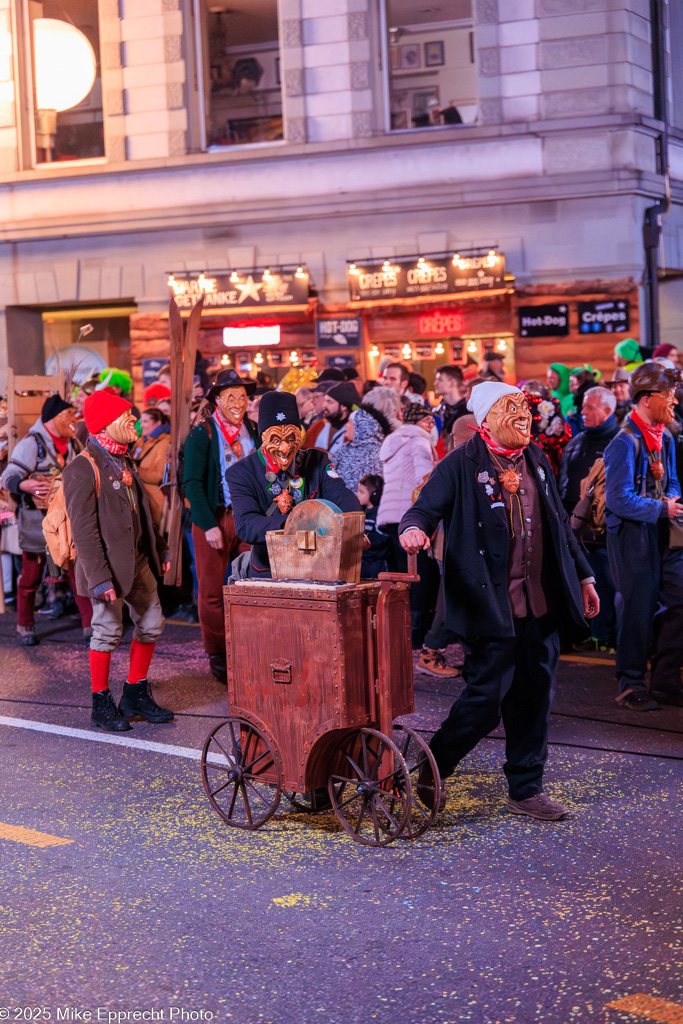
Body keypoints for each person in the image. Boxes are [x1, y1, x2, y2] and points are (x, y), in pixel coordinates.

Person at [399, 381, 599, 821]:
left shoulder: (536, 459)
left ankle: (526, 789)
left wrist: (584, 576)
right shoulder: (459, 464)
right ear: (486, 418)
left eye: (525, 407)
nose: (524, 415)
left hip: (540, 606)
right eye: (512, 408)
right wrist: (412, 530)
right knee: (485, 701)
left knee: (533, 698)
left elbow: (561, 528)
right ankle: (435, 768)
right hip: (490, 607)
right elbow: (422, 510)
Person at [63, 390, 173, 732]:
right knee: (107, 632)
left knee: (152, 623)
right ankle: (101, 702)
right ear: (104, 424)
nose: (134, 421)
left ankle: (135, 694)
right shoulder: (82, 468)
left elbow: (144, 511)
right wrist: (99, 578)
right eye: (125, 416)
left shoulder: (123, 458)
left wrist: (162, 550)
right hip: (106, 567)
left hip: (139, 559)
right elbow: (83, 530)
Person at [604, 362, 683, 711]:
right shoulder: (623, 443)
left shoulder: (664, 436)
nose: (675, 401)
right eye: (668, 395)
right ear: (647, 398)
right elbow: (618, 500)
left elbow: (673, 481)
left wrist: (672, 499)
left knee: (679, 600)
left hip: (660, 533)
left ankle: (665, 680)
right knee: (636, 610)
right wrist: (662, 509)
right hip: (632, 537)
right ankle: (630, 683)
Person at [227, 391, 361, 578]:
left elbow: (341, 495)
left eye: (291, 438)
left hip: (318, 568)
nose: (285, 448)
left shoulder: (317, 461)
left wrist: (355, 526)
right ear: (262, 437)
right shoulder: (241, 472)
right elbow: (247, 526)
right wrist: (297, 523)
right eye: (275, 440)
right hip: (268, 572)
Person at [183, 369, 258, 682]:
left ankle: (249, 648)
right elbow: (192, 482)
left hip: (246, 516)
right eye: (231, 396)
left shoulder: (252, 429)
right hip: (213, 517)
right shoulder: (203, 433)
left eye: (242, 396)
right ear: (216, 399)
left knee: (251, 584)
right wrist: (207, 524)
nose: (238, 402)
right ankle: (217, 653)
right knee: (212, 590)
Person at [1, 394, 93, 646]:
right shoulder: (32, 444)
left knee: (77, 571)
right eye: (69, 416)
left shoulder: (73, 443)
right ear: (55, 418)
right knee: (31, 574)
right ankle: (24, 624)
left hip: (67, 518)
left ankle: (90, 625)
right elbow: (8, 476)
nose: (73, 420)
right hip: (37, 519)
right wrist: (23, 483)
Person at [558, 387, 619, 652]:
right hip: (574, 529)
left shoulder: (619, 442)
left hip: (602, 532)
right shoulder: (577, 441)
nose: (583, 412)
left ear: (608, 410)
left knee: (604, 582)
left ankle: (602, 636)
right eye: (583, 406)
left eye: (590, 407)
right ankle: (587, 631)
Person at [378, 401, 440, 646]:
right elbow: (423, 480)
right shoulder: (418, 441)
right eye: (428, 421)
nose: (431, 426)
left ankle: (399, 631)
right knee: (421, 575)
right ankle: (415, 635)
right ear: (420, 422)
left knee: (402, 576)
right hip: (410, 516)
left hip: (391, 516)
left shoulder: (393, 441)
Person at [334, 403, 391, 494]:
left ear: (361, 427)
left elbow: (370, 489)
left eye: (349, 422)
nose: (345, 426)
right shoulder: (345, 448)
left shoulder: (376, 455)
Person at [133, 407, 170, 530]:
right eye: (141, 421)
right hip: (141, 497)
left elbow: (159, 475)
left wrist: (135, 472)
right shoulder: (141, 441)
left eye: (146, 421)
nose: (141, 425)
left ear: (158, 423)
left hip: (154, 501)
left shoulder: (164, 444)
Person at [357, 474, 391, 578]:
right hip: (362, 563)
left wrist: (363, 541)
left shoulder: (380, 514)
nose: (357, 494)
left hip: (376, 565)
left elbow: (382, 539)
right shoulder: (361, 512)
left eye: (361, 492)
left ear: (374, 494)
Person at [321, 381, 360, 463]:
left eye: (329, 402)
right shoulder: (319, 426)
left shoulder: (354, 431)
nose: (324, 405)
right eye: (325, 401)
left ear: (344, 407)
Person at [433, 364, 469, 452]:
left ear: (453, 382)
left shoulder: (467, 411)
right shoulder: (439, 410)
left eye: (440, 380)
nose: (435, 383)